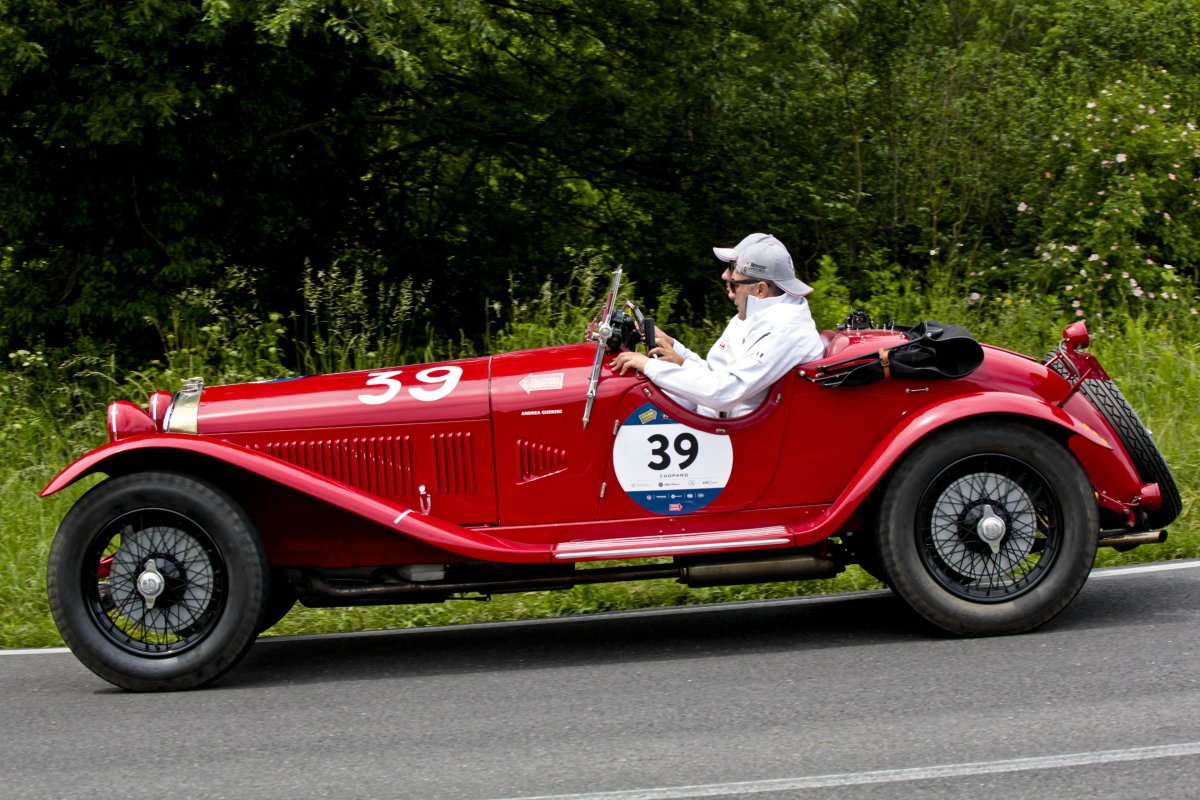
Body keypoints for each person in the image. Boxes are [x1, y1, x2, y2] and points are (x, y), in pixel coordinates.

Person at [611, 233, 823, 417]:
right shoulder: (757, 315)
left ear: (760, 290)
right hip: (720, 423)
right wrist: (675, 349)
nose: (725, 277)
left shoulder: (787, 329)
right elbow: (718, 374)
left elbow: (723, 392)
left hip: (737, 437)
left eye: (735, 280)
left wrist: (649, 365)